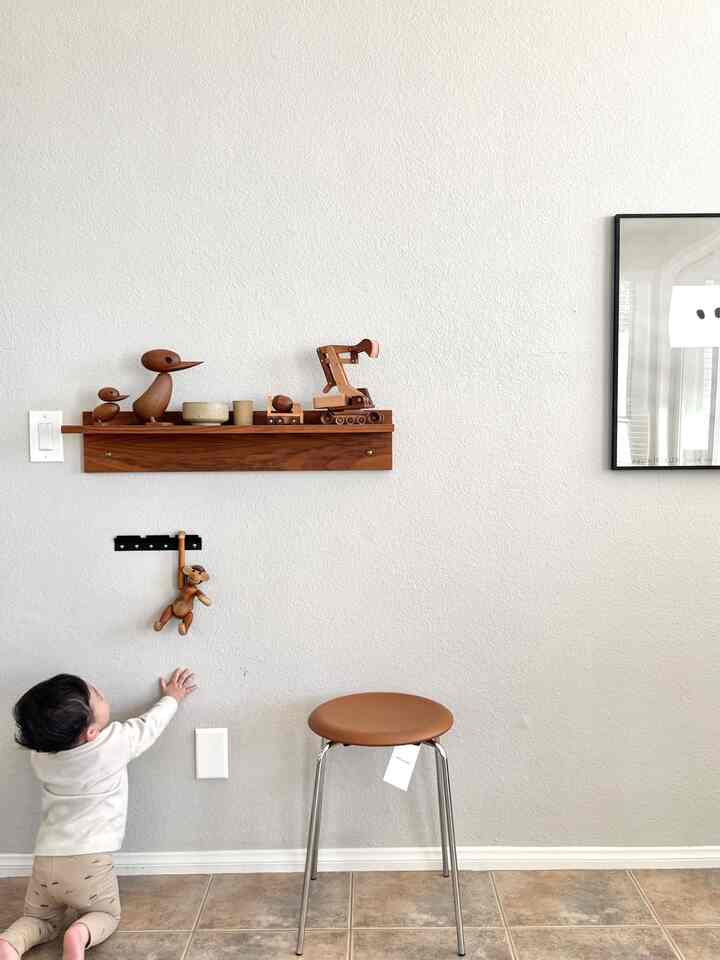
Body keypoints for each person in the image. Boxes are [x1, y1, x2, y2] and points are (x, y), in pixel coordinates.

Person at [0, 668, 196, 959]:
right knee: (105, 913)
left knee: (39, 920)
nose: (101, 692)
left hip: (46, 860)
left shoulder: (40, 757)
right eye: (98, 696)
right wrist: (172, 698)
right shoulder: (113, 743)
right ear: (91, 732)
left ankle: (10, 943)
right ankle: (79, 935)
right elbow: (148, 726)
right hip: (89, 863)